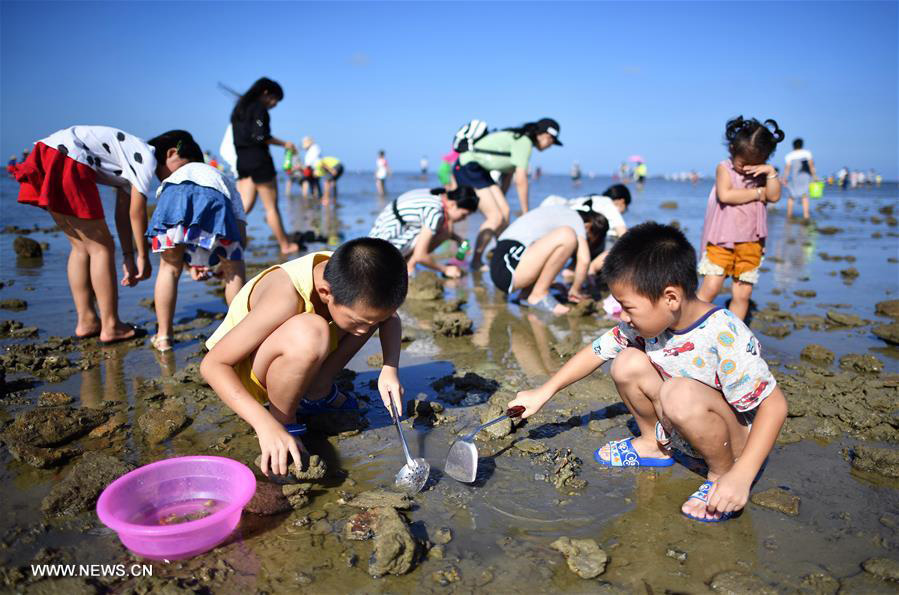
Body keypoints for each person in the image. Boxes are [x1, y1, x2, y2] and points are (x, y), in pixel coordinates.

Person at [510, 222, 787, 522]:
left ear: (671, 298)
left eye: (628, 307)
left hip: (734, 441)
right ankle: (653, 445)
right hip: (683, 417)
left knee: (677, 391)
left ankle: (721, 475)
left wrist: (743, 475)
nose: (623, 316)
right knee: (627, 361)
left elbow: (775, 406)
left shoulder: (724, 334)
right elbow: (595, 352)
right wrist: (544, 392)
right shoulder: (648, 324)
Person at [201, 238, 408, 476]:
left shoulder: (347, 276)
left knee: (363, 319)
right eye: (357, 321)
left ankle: (317, 391)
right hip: (243, 374)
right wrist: (265, 425)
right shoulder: (284, 297)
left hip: (287, 352)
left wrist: (389, 368)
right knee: (310, 331)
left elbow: (389, 318)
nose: (364, 331)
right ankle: (283, 420)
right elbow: (213, 365)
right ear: (324, 292)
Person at [12, 125, 169, 343]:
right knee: (101, 248)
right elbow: (137, 212)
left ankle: (87, 320)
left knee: (80, 246)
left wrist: (128, 256)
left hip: (47, 152)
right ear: (171, 154)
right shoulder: (146, 156)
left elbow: (122, 214)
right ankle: (111, 325)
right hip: (69, 155)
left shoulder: (126, 158)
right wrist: (143, 256)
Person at [146, 131, 247, 352]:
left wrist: (190, 264)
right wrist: (232, 256)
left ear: (173, 155)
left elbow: (186, 233)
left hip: (171, 197)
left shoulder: (168, 181)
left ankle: (164, 336)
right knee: (234, 268)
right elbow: (239, 220)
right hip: (214, 196)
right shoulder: (218, 174)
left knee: (169, 268)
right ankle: (239, 331)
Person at [696, 116, 784, 320]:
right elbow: (726, 195)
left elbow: (774, 196)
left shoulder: (764, 173)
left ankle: (735, 333)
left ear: (765, 158)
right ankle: (691, 327)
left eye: (754, 163)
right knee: (711, 287)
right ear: (732, 150)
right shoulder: (724, 168)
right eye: (743, 162)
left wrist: (770, 173)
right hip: (721, 239)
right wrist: (757, 193)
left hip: (751, 242)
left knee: (742, 294)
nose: (746, 168)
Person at [452, 118, 562, 269]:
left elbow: (508, 176)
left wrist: (500, 199)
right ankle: (476, 261)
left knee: (505, 211)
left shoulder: (519, 140)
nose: (550, 146)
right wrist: (525, 212)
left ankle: (501, 253)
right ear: (545, 135)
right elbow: (521, 179)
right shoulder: (524, 142)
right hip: (468, 167)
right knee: (495, 217)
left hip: (479, 170)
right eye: (552, 141)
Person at [489, 203, 608, 316]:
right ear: (588, 226)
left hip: (502, 264)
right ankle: (538, 295)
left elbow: (542, 255)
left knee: (562, 237)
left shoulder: (562, 213)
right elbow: (585, 260)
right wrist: (575, 291)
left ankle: (526, 294)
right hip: (507, 265)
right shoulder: (575, 220)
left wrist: (552, 283)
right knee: (567, 235)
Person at [230, 77, 299, 255]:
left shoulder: (239, 108)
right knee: (271, 207)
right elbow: (261, 136)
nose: (274, 104)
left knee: (243, 207)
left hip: (243, 161)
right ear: (266, 93)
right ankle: (285, 245)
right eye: (275, 99)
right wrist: (285, 144)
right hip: (260, 162)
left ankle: (227, 242)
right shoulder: (259, 108)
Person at [369, 185, 479, 278]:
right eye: (464, 215)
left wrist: (459, 239)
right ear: (453, 204)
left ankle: (407, 264)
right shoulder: (435, 211)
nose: (463, 219)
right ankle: (408, 268)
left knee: (443, 230)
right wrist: (445, 269)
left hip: (378, 237)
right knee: (445, 232)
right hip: (381, 253)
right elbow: (420, 256)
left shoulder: (437, 195)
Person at [541, 183, 631, 274]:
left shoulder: (588, 199)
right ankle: (592, 269)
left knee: (573, 267)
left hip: (564, 234)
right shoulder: (607, 203)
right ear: (622, 202)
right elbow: (623, 234)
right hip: (588, 238)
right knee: (620, 246)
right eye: (626, 209)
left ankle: (569, 275)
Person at [782, 138, 817, 223]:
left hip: (794, 177)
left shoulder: (789, 155)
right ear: (802, 144)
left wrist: (785, 178)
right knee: (805, 196)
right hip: (805, 176)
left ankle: (789, 215)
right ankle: (806, 215)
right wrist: (814, 176)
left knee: (791, 196)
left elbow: (787, 168)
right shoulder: (807, 153)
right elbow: (811, 165)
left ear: (793, 145)